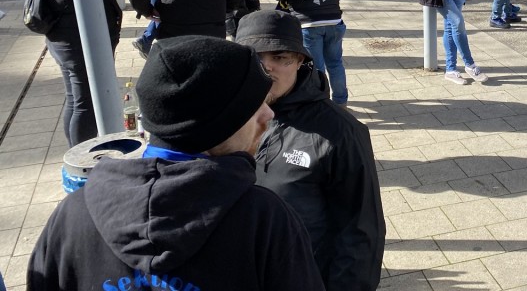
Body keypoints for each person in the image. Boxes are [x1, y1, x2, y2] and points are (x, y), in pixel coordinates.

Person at [27, 36, 327, 291]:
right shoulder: (264, 219)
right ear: (219, 125)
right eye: (253, 106)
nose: (268, 115)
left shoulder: (73, 214)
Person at [236, 11, 386, 291]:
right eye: (256, 57)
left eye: (281, 58)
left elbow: (361, 231)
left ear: (300, 61)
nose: (267, 67)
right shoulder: (226, 117)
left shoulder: (341, 132)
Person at [28, 0, 139, 146]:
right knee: (84, 103)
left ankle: (76, 149)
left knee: (75, 100)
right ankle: (81, 154)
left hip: (63, 39)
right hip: (73, 42)